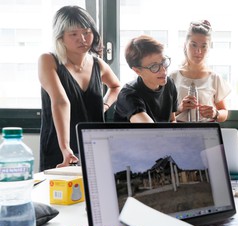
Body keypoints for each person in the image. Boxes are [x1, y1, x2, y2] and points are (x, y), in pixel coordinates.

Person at [38, 5, 120, 171]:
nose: (82, 39)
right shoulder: (48, 60)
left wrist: (104, 106)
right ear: (60, 37)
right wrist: (65, 148)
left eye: (86, 32)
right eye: (73, 34)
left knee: (95, 194)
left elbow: (116, 87)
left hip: (94, 143)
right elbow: (61, 102)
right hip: (59, 146)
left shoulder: (98, 64)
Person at [171, 20, 230, 122]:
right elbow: (161, 113)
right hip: (178, 131)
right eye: (194, 45)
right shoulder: (173, 76)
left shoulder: (214, 77)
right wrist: (178, 109)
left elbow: (224, 112)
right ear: (185, 45)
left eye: (203, 46)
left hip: (207, 131)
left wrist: (215, 113)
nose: (198, 51)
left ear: (209, 47)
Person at [114, 35, 178, 123]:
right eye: (154, 67)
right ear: (137, 71)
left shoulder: (169, 84)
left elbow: (172, 120)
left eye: (163, 62)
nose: (163, 70)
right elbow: (150, 132)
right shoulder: (128, 95)